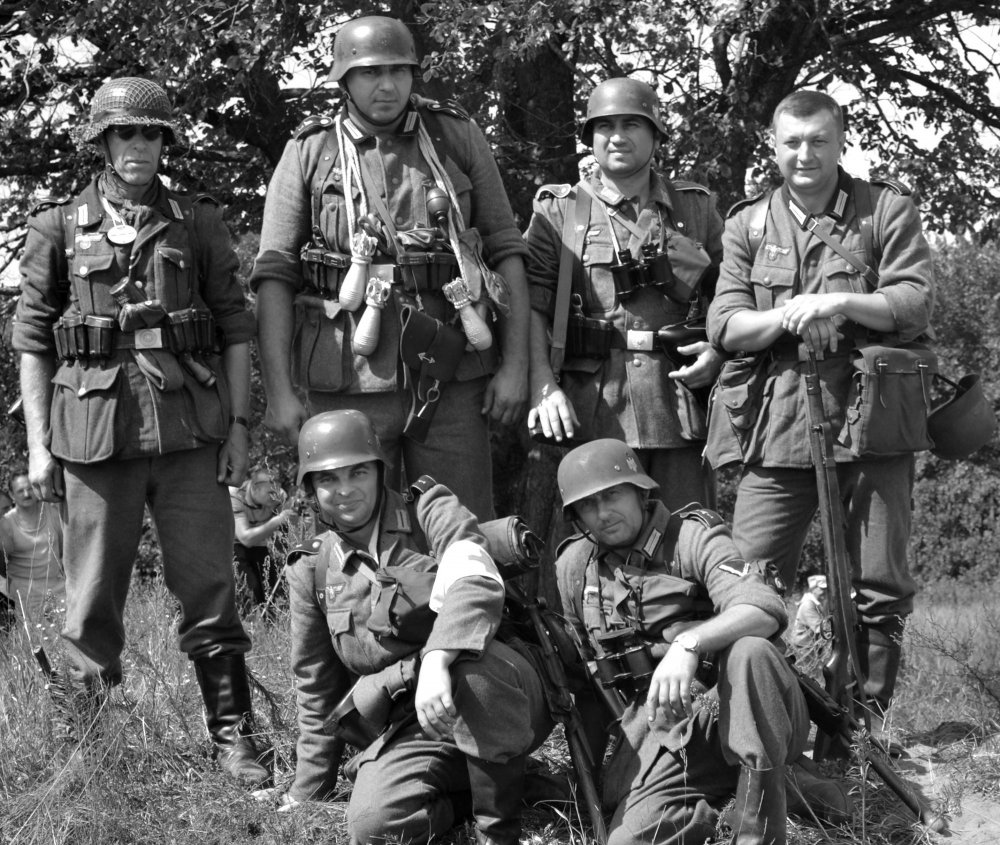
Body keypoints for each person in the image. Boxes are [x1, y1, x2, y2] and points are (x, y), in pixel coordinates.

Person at [13, 77, 268, 785]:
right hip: (95, 436)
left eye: (151, 133)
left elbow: (235, 328)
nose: (139, 145)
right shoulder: (58, 226)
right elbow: (32, 341)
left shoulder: (197, 222)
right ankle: (92, 752)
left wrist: (239, 428)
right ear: (102, 141)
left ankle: (235, 740)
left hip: (190, 433)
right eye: (125, 133)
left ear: (165, 143)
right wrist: (38, 447)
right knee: (92, 599)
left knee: (211, 586)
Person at [706, 90, 935, 734]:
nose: (804, 154)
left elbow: (914, 301)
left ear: (839, 143)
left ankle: (862, 733)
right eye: (791, 142)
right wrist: (787, 314)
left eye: (818, 141)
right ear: (774, 146)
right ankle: (759, 728)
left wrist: (838, 304)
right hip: (780, 420)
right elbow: (725, 323)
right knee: (747, 574)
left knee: (879, 582)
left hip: (874, 420)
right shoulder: (749, 223)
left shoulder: (884, 209)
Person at [251, 14, 532, 521]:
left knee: (462, 525)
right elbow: (274, 275)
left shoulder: (455, 136)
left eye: (398, 71)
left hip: (450, 373)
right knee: (352, 529)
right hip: (349, 379)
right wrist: (278, 391)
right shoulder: (310, 150)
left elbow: (506, 250)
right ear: (345, 81)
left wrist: (514, 366)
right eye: (370, 72)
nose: (386, 85)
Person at [552, 439, 850, 845]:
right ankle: (759, 792)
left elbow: (763, 608)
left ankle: (758, 828)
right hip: (664, 731)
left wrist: (689, 644)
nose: (602, 513)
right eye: (588, 505)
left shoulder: (692, 537)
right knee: (629, 841)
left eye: (613, 495)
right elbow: (588, 677)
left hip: (741, 705)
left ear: (640, 492)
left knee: (750, 650)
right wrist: (590, 775)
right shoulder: (575, 567)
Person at [279, 409, 551, 845]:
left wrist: (438, 660)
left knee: (473, 668)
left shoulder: (429, 509)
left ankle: (498, 831)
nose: (345, 490)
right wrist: (309, 789)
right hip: (413, 723)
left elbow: (474, 577)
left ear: (379, 470)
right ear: (311, 489)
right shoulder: (311, 568)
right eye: (328, 479)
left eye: (358, 472)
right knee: (374, 828)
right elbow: (316, 685)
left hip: (497, 694)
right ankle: (485, 789)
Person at [525, 77, 725, 510]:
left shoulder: (694, 207)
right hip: (593, 408)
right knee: (600, 535)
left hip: (678, 404)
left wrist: (718, 351)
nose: (617, 136)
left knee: (687, 533)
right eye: (605, 125)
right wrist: (543, 385)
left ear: (656, 135)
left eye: (631, 124)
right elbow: (532, 307)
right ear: (590, 138)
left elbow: (730, 296)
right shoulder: (558, 210)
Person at [230, 466, 300, 613]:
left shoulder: (279, 496)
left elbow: (291, 527)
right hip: (234, 544)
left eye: (276, 491)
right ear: (255, 489)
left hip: (260, 543)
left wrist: (297, 518)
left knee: (269, 587)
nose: (275, 497)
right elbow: (245, 538)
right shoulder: (235, 496)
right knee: (250, 587)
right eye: (270, 493)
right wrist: (278, 520)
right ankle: (249, 620)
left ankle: (269, 620)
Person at [0, 469, 66, 625]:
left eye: (30, 488)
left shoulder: (53, 513)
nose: (26, 494)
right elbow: (3, 565)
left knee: (69, 635)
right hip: (26, 596)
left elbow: (64, 551)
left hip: (58, 590)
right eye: (20, 491)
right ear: (12, 495)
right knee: (38, 638)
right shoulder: (6, 524)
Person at [790, 575, 829, 655]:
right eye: (822, 588)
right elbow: (821, 628)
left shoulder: (816, 603)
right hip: (802, 650)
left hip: (809, 647)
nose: (825, 591)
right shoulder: (808, 605)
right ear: (813, 589)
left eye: (826, 588)